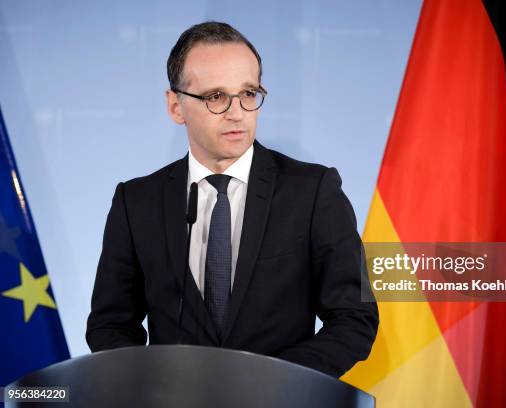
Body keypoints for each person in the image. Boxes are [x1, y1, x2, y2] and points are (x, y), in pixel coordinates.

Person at [86, 21, 378, 378]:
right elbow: (110, 324)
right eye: (215, 97)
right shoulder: (136, 201)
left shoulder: (314, 190)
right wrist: (150, 385)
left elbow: (354, 319)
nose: (237, 112)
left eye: (249, 93)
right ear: (176, 106)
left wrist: (274, 383)